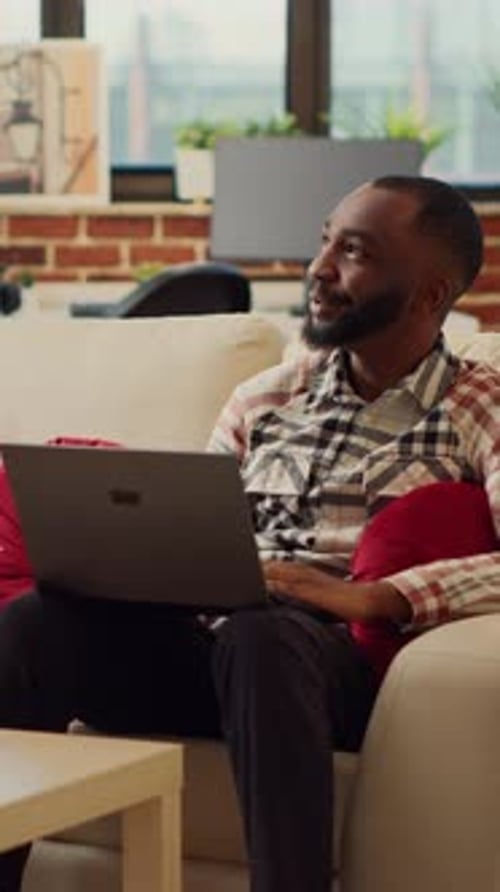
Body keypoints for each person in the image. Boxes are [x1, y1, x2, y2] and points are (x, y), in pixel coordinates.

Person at [0, 174, 498, 892]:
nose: (320, 269)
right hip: (214, 648)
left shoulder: (479, 406)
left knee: (262, 636)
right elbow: (191, 532)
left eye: (354, 252)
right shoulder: (265, 396)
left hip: (330, 666)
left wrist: (375, 597)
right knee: (35, 625)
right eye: (325, 241)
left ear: (429, 294)